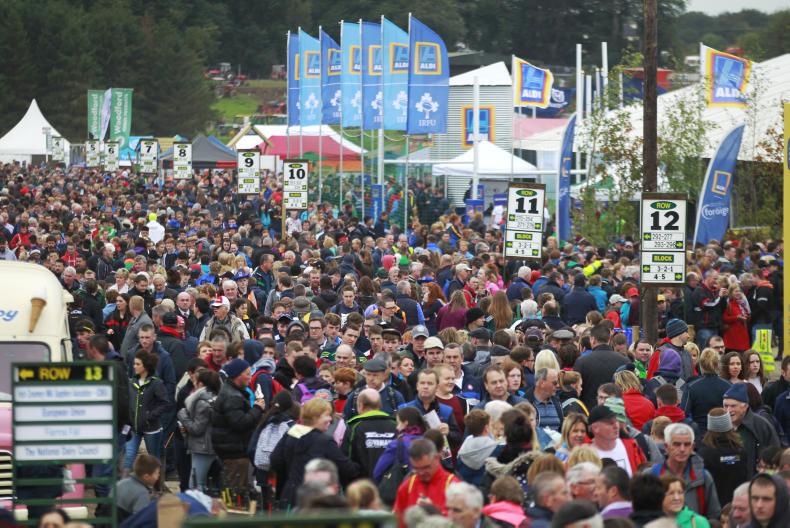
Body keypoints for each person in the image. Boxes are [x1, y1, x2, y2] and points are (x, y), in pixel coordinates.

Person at [270, 398, 360, 510]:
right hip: (316, 501)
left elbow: (275, 460)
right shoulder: (324, 441)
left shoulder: (291, 433)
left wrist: (291, 475)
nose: (330, 419)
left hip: (289, 496)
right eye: (327, 415)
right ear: (315, 417)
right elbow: (346, 469)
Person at [210, 358, 265, 488]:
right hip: (235, 453)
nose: (250, 377)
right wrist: (257, 409)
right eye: (247, 374)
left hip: (233, 450)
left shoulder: (233, 391)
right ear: (237, 375)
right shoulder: (233, 397)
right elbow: (240, 423)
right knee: (237, 493)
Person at [650, 423, 721, 519]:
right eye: (676, 444)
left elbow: (714, 516)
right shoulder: (651, 476)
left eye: (687, 444)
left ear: (692, 447)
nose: (682, 449)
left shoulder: (704, 477)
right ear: (666, 447)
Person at [392, 438, 460, 524]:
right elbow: (398, 522)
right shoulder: (407, 486)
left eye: (426, 467)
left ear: (437, 458)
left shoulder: (454, 486)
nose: (421, 473)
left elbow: (460, 523)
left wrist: (434, 512)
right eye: (416, 468)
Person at [125, 349, 171, 470]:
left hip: (152, 428)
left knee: (153, 458)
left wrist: (150, 415)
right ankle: (124, 483)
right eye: (134, 363)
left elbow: (165, 403)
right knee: (129, 456)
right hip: (134, 427)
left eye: (137, 364)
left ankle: (155, 485)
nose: (134, 366)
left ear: (145, 366)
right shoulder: (131, 382)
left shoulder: (156, 384)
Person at [176, 369, 220, 491]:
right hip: (208, 446)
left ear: (200, 384)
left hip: (202, 448)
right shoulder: (214, 398)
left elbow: (196, 429)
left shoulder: (202, 403)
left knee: (196, 484)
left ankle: (197, 508)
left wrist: (183, 415)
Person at [723, 383, 780, 476]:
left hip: (757, 482)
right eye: (725, 406)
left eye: (733, 406)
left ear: (745, 406)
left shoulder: (761, 425)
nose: (728, 410)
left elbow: (775, 454)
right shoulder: (721, 426)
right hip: (729, 483)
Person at [342, 388, 398, 479]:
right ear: (380, 405)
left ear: (360, 405)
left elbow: (346, 460)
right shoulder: (395, 425)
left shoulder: (354, 427)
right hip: (390, 485)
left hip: (362, 486)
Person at [698, 408, 748, 506]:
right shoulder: (740, 451)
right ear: (729, 425)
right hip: (736, 504)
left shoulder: (704, 453)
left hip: (712, 506)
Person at [574, 324, 630, 409]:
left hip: (589, 412)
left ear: (592, 340)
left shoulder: (582, 362)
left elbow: (576, 390)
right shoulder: (624, 361)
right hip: (616, 411)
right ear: (610, 340)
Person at [681, 347, 732, 433]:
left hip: (700, 433)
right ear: (718, 364)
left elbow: (683, 413)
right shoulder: (728, 386)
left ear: (701, 365)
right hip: (723, 433)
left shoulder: (691, 387)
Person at [588, 405, 645, 477]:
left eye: (616, 421)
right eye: (610, 423)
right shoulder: (584, 454)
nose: (616, 426)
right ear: (595, 428)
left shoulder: (632, 446)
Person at [457, 409, 498, 486]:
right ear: (486, 428)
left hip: (466, 490)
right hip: (485, 491)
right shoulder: (496, 449)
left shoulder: (464, 447)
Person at [116, 454, 160, 519]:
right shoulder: (142, 493)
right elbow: (139, 520)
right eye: (156, 473)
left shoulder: (121, 483)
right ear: (146, 476)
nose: (158, 476)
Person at [523, 367, 563, 433]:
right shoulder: (526, 403)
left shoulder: (557, 402)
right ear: (542, 383)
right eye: (555, 383)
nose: (558, 385)